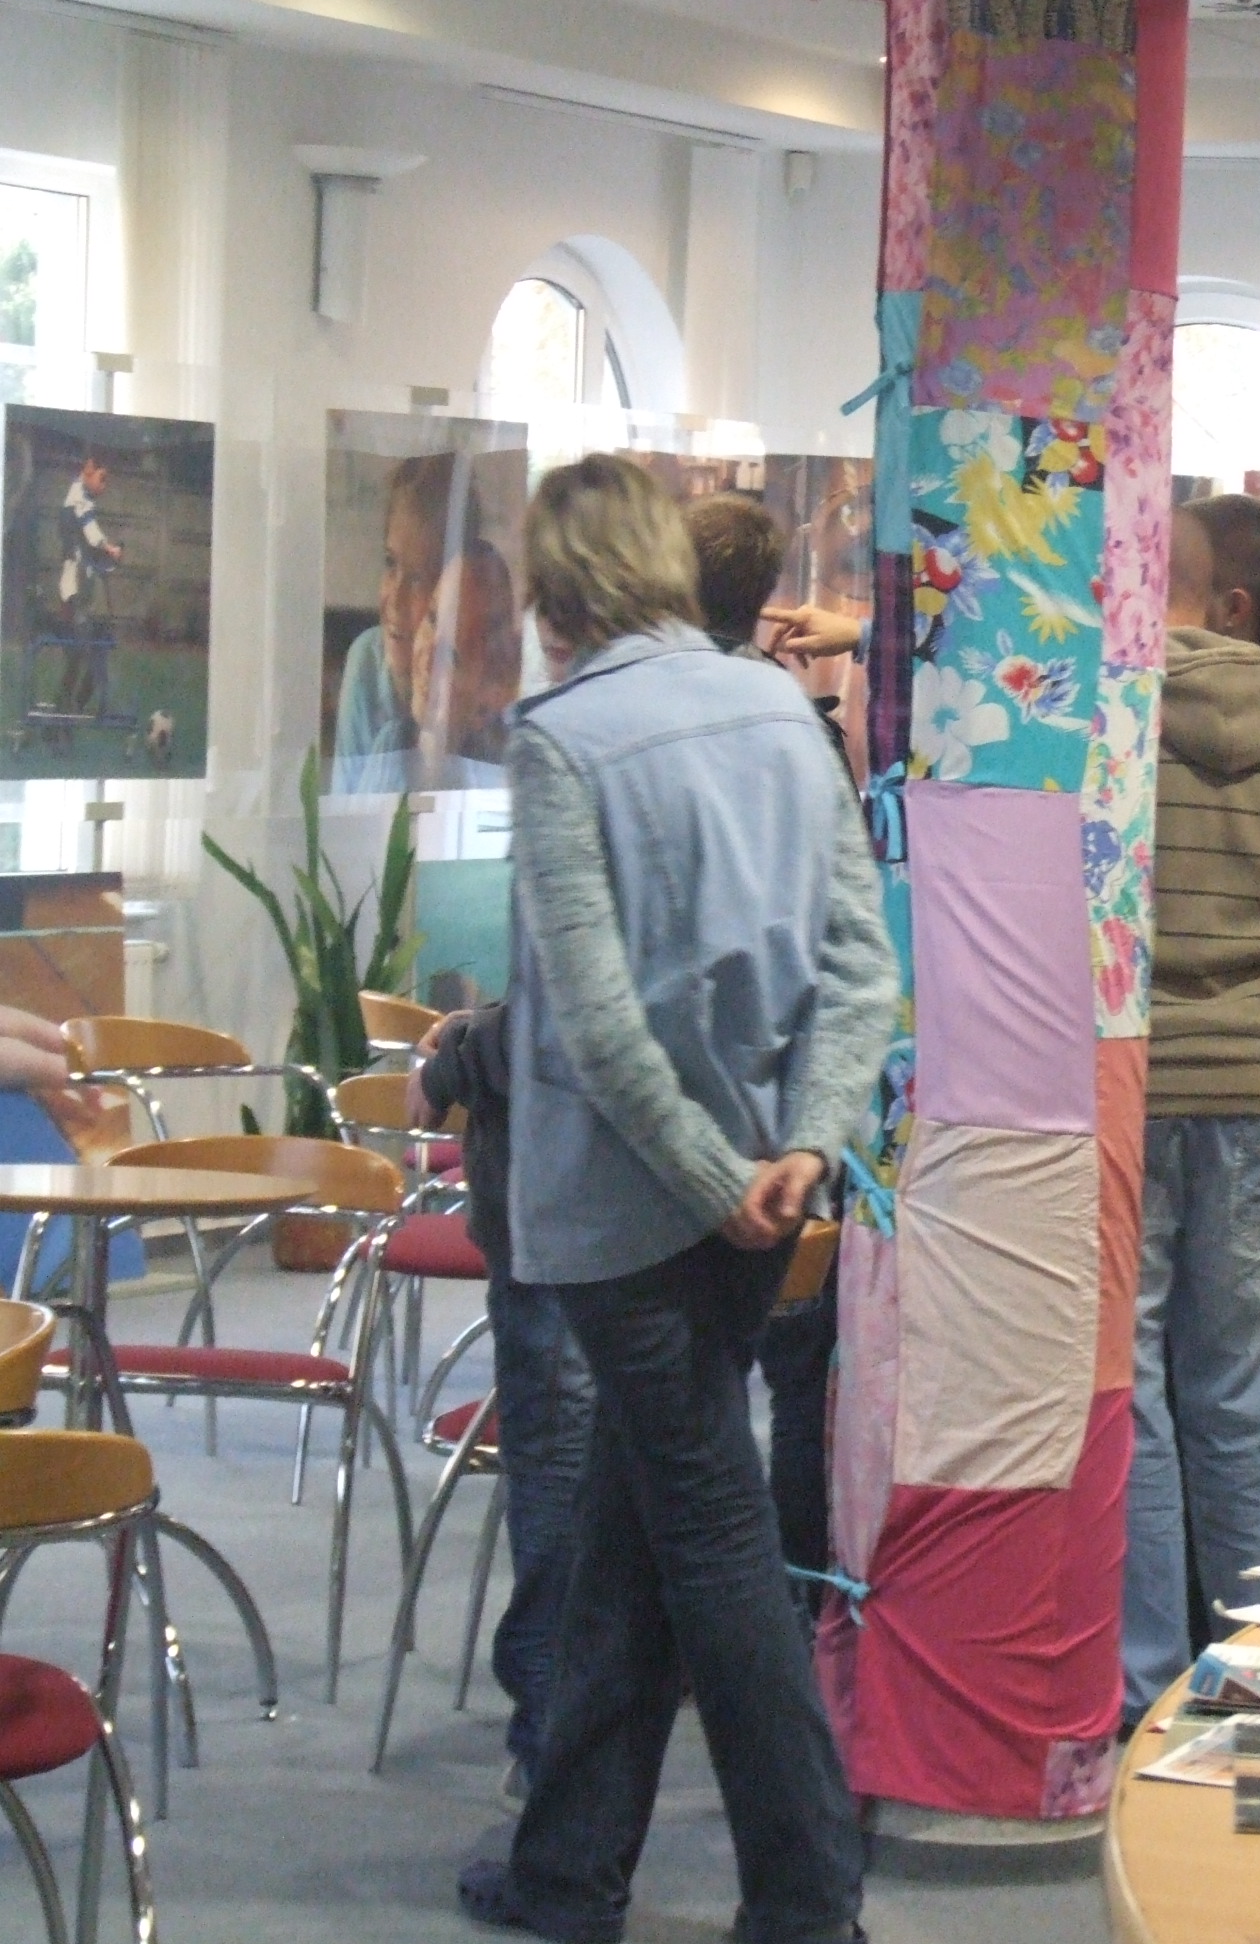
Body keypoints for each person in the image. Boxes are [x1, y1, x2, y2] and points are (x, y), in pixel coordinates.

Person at [457, 453, 895, 1944]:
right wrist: (805, 1148)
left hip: (633, 1209)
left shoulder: (562, 741)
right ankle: (567, 1869)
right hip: (762, 1192)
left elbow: (587, 1021)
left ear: (553, 587)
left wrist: (715, 1182)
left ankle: (809, 1896)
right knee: (633, 1527)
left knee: (707, 1540)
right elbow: (859, 965)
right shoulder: (779, 709)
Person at [1123, 493, 1260, 1718]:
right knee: (1241, 1393)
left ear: (1226, 601)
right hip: (1253, 1088)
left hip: (1141, 1082)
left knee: (1138, 1390)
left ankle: (1146, 1680)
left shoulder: (1125, 714)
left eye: (1168, 572)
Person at [685, 489, 849, 1609]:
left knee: (684, 1396)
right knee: (784, 1367)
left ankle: (730, 1622)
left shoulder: (630, 727)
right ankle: (783, 1608)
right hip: (776, 1106)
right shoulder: (799, 731)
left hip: (692, 1115)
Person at [408, 1001, 592, 1801]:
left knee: (560, 1469)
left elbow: (562, 1024)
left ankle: (555, 1746)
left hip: (566, 1207)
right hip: (683, 1200)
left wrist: (457, 1051)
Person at [335, 452, 476, 794]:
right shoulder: (367, 659)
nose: (395, 599)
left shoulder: (470, 676)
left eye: (418, 578)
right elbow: (346, 805)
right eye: (390, 563)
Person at [406, 542, 523, 789]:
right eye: (432, 618)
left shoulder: (488, 787)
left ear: (486, 703)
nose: (427, 659)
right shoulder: (389, 747)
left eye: (452, 655)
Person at [51, 453, 122, 717]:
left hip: (81, 593)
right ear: (89, 469)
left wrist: (105, 557)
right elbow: (91, 533)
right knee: (80, 653)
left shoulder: (83, 498)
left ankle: (74, 706)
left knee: (95, 651)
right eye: (101, 479)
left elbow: (90, 545)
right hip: (72, 595)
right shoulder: (77, 495)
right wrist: (109, 548)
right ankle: (65, 710)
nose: (104, 486)